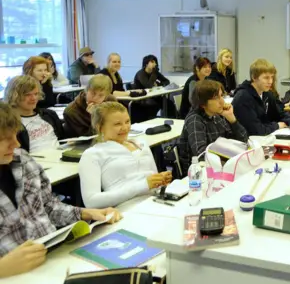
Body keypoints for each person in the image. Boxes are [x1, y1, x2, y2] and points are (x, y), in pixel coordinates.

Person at [0, 102, 121, 278]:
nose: (16, 143)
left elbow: (48, 206)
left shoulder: (23, 160)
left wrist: (87, 213)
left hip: (52, 258)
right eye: (5, 139)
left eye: (15, 135)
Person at [79, 102, 172, 208]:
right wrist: (144, 185)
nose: (125, 127)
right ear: (100, 127)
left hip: (155, 203)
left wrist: (160, 180)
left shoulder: (141, 144)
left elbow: (153, 182)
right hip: (126, 210)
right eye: (117, 124)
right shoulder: (92, 155)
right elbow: (91, 202)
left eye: (127, 121)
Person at [178, 80, 248, 168]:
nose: (222, 102)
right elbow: (202, 155)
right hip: (197, 174)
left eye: (221, 95)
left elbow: (243, 141)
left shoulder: (216, 115)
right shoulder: (195, 120)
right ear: (203, 103)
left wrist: (232, 119)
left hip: (220, 165)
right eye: (216, 98)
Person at [232, 59, 290, 136]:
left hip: (263, 138)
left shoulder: (267, 93)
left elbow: (280, 112)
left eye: (272, 77)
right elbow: (256, 130)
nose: (270, 81)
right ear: (254, 77)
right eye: (266, 78)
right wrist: (277, 125)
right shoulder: (243, 97)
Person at [5, 76, 65, 153]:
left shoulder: (49, 114)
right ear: (14, 96)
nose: (33, 98)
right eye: (27, 95)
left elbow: (63, 140)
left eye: (36, 94)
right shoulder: (9, 123)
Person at [134, 55, 174, 119]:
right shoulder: (141, 73)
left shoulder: (155, 73)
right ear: (146, 63)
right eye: (152, 62)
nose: (154, 64)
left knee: (169, 104)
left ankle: (172, 120)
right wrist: (154, 74)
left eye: (155, 62)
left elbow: (166, 81)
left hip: (153, 96)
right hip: (142, 97)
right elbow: (148, 86)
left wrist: (159, 84)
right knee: (153, 105)